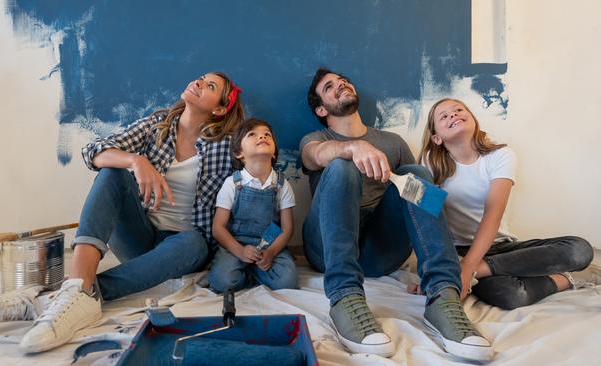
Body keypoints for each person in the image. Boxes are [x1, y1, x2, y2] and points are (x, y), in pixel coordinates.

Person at [0, 72, 245, 353]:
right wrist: (135, 160)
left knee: (194, 241)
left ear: (220, 109)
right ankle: (78, 290)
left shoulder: (226, 145)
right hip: (140, 239)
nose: (199, 83)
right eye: (201, 79)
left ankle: (54, 298)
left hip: (182, 247)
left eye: (210, 86)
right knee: (111, 173)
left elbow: (250, 188)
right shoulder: (158, 125)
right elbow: (93, 151)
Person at [299, 68, 493, 361]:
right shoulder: (316, 138)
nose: (341, 84)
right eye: (330, 86)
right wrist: (352, 148)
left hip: (381, 251)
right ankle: (345, 297)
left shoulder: (393, 142)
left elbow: (418, 206)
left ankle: (442, 295)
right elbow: (313, 156)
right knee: (340, 165)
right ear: (321, 108)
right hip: (328, 248)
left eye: (343, 81)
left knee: (416, 174)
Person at [416, 98, 594, 309]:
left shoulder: (500, 156)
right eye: (443, 116)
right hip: (456, 252)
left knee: (579, 250)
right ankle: (566, 279)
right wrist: (433, 271)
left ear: (473, 119)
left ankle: (479, 269)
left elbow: (492, 215)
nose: (453, 115)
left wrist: (468, 269)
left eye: (458, 110)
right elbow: (425, 220)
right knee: (511, 296)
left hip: (501, 247)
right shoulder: (430, 163)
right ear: (436, 138)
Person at [208, 118, 299, 292]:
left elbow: (287, 229)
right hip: (236, 244)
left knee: (288, 282)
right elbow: (218, 228)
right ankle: (247, 270)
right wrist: (240, 252)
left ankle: (258, 268)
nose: (262, 137)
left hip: (270, 244)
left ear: (273, 154)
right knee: (221, 282)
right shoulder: (232, 183)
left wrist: (271, 253)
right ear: (238, 153)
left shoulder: (281, 184)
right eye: (252, 134)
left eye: (267, 134)